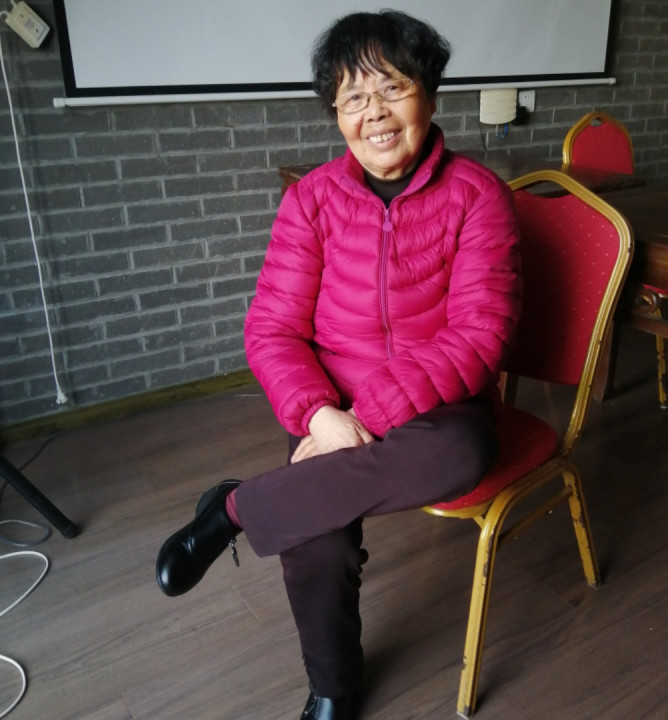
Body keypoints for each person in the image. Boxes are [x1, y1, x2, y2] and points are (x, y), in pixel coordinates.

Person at [156, 10, 522, 720]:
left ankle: (233, 509)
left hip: (437, 407)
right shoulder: (312, 199)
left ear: (429, 95)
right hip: (326, 405)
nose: (374, 113)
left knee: (461, 451)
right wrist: (322, 415)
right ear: (337, 114)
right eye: (354, 97)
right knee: (315, 530)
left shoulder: (479, 196)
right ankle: (333, 689)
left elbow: (479, 337)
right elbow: (272, 330)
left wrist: (367, 417)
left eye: (393, 89)